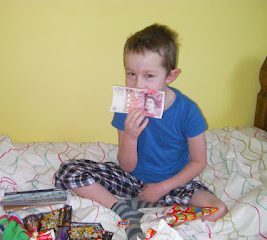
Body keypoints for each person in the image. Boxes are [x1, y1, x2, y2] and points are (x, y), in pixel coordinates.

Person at [55, 23, 228, 240]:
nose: (137, 85)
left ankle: (151, 203)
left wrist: (162, 188)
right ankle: (122, 208)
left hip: (174, 182)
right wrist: (130, 135)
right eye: (131, 74)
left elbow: (198, 162)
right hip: (132, 180)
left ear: (170, 76)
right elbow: (126, 165)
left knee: (217, 208)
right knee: (68, 171)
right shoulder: (126, 107)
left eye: (149, 76)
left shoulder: (188, 111)